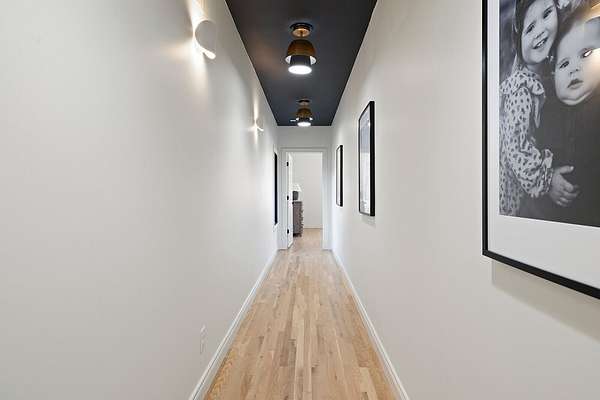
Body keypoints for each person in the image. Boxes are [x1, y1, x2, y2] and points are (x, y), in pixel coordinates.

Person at [521, 12, 600, 226]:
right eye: (564, 64)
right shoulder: (544, 106)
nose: (574, 68)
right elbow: (529, 152)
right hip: (547, 217)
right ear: (553, 74)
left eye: (586, 54)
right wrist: (548, 180)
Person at [499, 0, 575, 216]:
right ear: (519, 41)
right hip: (515, 200)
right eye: (530, 27)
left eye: (547, 14)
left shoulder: (546, 71)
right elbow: (516, 148)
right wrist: (547, 180)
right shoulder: (521, 89)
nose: (541, 30)